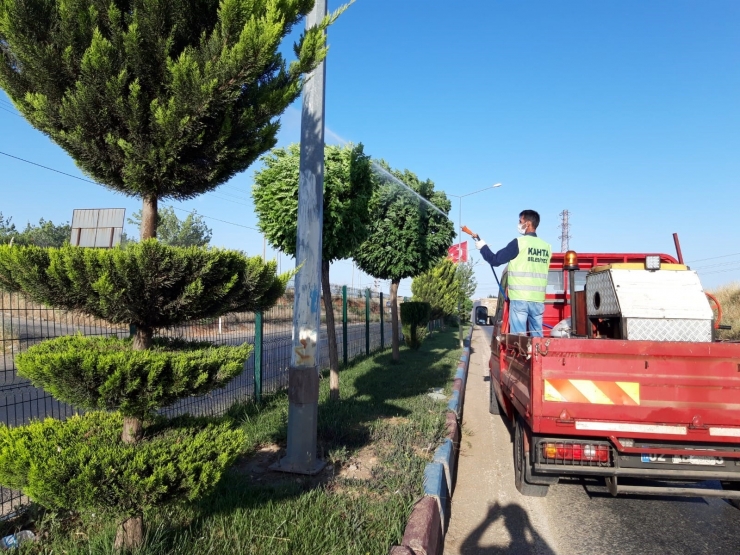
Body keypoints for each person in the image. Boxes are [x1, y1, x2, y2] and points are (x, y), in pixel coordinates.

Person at [475, 210, 552, 337]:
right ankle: (536, 357)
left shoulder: (519, 243)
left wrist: (483, 247)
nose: (518, 224)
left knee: (519, 339)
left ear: (527, 224)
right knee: (538, 339)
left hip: (520, 299)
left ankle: (522, 357)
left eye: (520, 221)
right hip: (538, 300)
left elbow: (495, 260)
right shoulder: (546, 247)